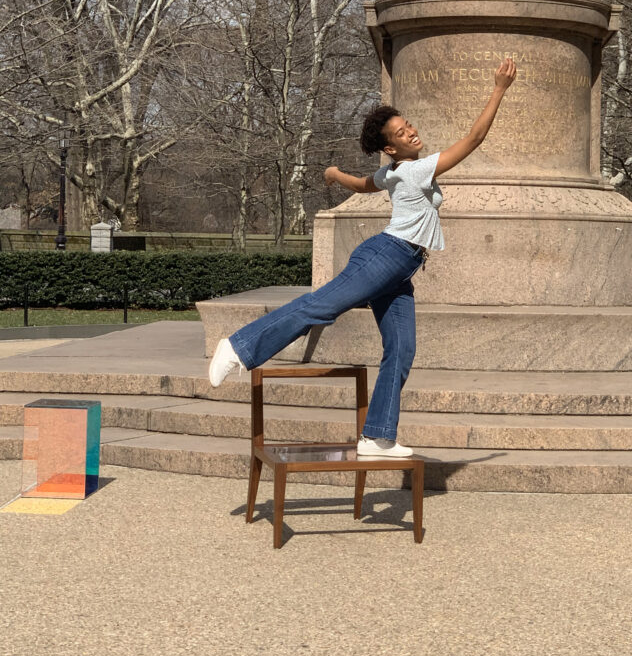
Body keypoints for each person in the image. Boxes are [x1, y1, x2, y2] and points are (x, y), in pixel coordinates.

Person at [208, 57, 517, 457]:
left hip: (400, 268)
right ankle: (237, 347)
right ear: (391, 147)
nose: (412, 132)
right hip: (387, 255)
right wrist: (499, 89)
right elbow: (474, 139)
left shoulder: (392, 172)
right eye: (402, 133)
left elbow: (364, 184)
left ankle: (377, 436)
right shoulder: (416, 169)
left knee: (402, 349)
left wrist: (336, 176)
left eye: (409, 126)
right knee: (320, 307)